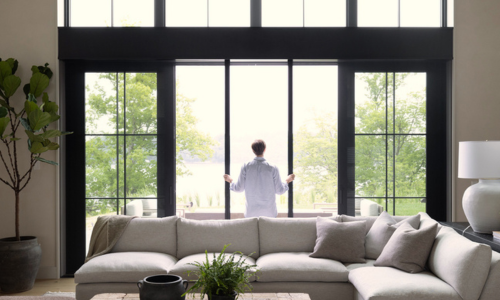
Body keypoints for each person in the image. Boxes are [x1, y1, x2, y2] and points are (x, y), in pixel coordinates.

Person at [223, 139, 295, 218]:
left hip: (251, 213)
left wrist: (230, 180)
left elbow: (238, 189)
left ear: (253, 150)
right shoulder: (273, 167)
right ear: (265, 149)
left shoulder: (246, 166)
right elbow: (279, 190)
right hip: (270, 213)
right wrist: (288, 180)